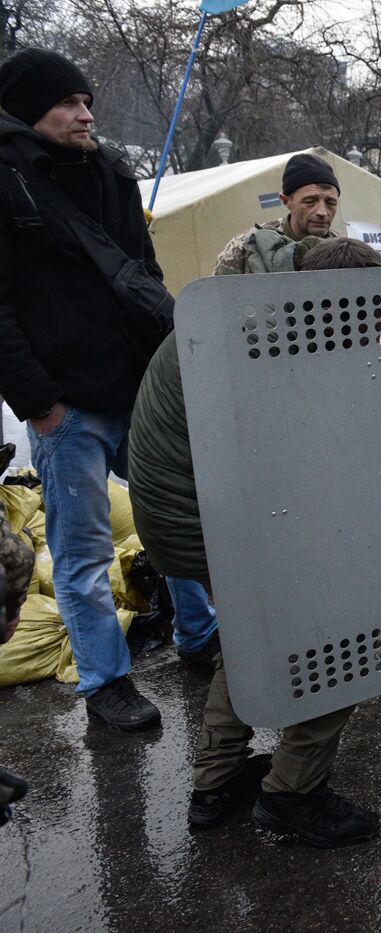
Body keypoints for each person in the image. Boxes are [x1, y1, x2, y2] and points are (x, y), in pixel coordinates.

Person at [129, 229, 381, 846]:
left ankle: (216, 784)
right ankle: (294, 793)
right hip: (208, 518)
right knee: (341, 639)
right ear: (338, 307)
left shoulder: (248, 301)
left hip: (183, 514)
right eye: (366, 323)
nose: (368, 340)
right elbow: (293, 469)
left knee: (247, 635)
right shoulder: (270, 335)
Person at [0, 49, 170, 730]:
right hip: (65, 408)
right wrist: (40, 401)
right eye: (68, 102)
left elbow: (145, 274)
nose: (86, 113)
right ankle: (106, 684)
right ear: (29, 108)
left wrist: (162, 375)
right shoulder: (6, 181)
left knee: (180, 523)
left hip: (139, 393)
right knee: (81, 555)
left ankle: (201, 634)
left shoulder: (109, 170)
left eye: (88, 100)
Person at [212, 151, 339, 274]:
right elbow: (218, 294)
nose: (322, 212)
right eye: (310, 201)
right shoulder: (245, 247)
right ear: (286, 201)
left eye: (330, 203)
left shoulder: (342, 250)